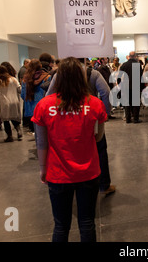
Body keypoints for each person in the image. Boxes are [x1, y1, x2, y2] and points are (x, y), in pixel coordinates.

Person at [32, 57, 107, 242]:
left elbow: (41, 143)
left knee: (61, 225)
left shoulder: (44, 105)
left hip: (57, 173)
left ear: (59, 78)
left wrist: (43, 169)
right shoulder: (95, 104)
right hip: (89, 171)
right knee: (87, 222)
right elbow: (98, 137)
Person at [0, 65, 22, 142]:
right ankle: (19, 131)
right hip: (14, 101)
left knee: (6, 120)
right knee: (14, 118)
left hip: (4, 102)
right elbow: (19, 89)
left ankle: (9, 136)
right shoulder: (13, 79)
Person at [21, 59, 50, 134]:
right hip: (43, 106)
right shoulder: (46, 77)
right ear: (40, 66)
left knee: (36, 131)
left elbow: (23, 95)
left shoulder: (25, 79)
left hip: (30, 108)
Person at [119, 51, 143, 123]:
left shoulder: (124, 65)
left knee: (127, 103)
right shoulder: (138, 65)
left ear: (129, 56)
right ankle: (136, 119)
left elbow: (119, 76)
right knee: (135, 103)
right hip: (135, 86)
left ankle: (128, 119)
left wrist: (120, 84)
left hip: (126, 87)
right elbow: (141, 77)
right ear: (135, 56)